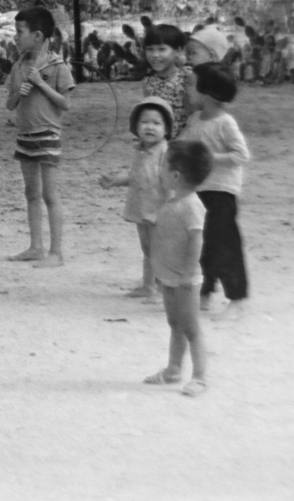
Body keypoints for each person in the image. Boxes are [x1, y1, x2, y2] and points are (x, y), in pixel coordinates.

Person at [5, 6, 75, 267]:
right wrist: (18, 93)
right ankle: (36, 247)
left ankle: (56, 253)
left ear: (37, 36)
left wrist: (41, 83)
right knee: (31, 193)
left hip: (47, 136)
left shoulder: (57, 65)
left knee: (50, 195)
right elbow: (10, 104)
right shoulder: (19, 64)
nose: (15, 37)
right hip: (24, 136)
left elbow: (65, 104)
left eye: (19, 32)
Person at [144, 140, 213, 397]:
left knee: (191, 328)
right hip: (169, 277)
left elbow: (196, 239)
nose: (159, 171)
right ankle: (173, 369)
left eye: (163, 166)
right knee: (174, 323)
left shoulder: (192, 205)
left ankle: (199, 377)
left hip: (185, 279)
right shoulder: (173, 201)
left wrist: (187, 272)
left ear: (175, 175)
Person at [189, 62, 252, 319]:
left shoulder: (225, 122)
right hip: (200, 189)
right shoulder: (195, 119)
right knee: (201, 242)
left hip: (222, 193)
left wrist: (210, 157)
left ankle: (237, 298)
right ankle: (204, 292)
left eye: (190, 85)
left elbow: (241, 155)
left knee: (224, 244)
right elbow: (186, 145)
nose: (186, 90)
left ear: (206, 93)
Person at [99, 97, 174, 300]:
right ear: (135, 126)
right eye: (144, 122)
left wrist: (169, 208)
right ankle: (148, 286)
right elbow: (136, 176)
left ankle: (163, 288)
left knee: (160, 251)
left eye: (156, 123)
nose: (150, 127)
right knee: (148, 249)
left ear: (166, 129)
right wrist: (116, 181)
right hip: (142, 207)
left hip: (160, 210)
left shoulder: (165, 152)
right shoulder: (139, 150)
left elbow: (171, 182)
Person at [143, 23, 193, 130]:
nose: (155, 55)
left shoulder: (187, 78)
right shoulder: (148, 82)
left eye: (161, 49)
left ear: (178, 51)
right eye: (150, 49)